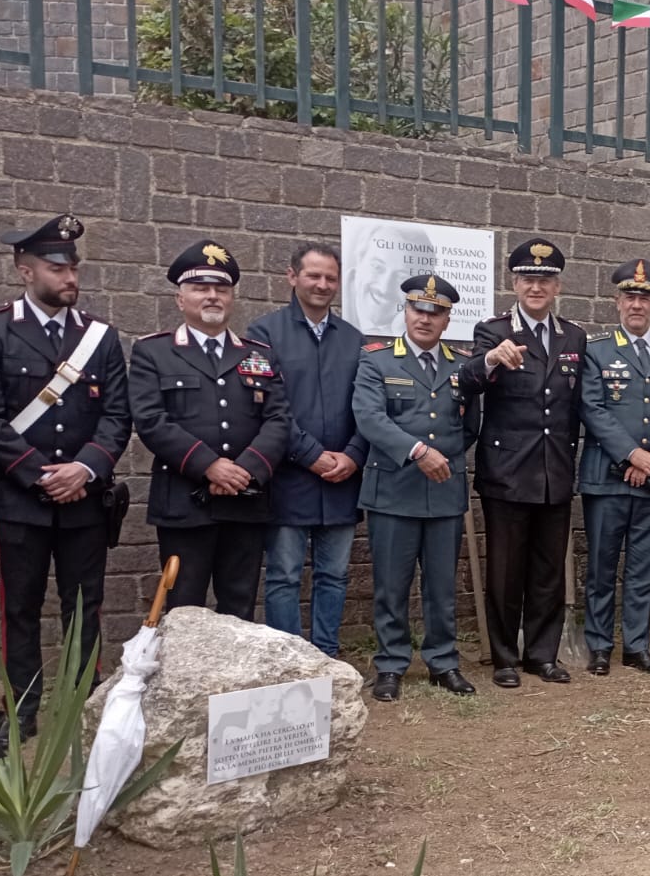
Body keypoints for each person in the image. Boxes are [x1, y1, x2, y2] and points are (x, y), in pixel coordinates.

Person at [0, 215, 131, 743]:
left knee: (85, 604)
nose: (69, 277)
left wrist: (85, 468)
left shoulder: (99, 337)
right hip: (21, 500)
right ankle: (24, 710)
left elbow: (118, 416)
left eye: (73, 267)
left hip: (86, 498)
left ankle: (81, 705)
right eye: (57, 267)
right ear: (24, 270)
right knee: (20, 607)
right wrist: (41, 475)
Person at [129, 241, 289, 618]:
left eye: (221, 289)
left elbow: (279, 419)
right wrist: (210, 465)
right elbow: (151, 420)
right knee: (183, 607)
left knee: (240, 605)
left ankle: (236, 680)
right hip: (185, 503)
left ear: (232, 297)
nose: (212, 296)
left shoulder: (259, 355)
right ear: (180, 299)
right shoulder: (154, 352)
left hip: (246, 501)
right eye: (201, 288)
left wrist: (246, 469)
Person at [462, 238, 588, 688]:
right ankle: (504, 658)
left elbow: (578, 403)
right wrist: (492, 360)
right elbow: (467, 380)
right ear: (515, 283)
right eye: (529, 279)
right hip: (508, 472)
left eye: (546, 280)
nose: (537, 287)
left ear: (557, 287)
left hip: (554, 470)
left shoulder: (573, 335)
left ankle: (542, 654)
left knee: (549, 572)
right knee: (505, 571)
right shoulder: (493, 331)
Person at [352, 274, 480, 702]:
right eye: (417, 309)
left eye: (435, 312)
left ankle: (443, 661)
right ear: (405, 312)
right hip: (394, 490)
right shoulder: (376, 359)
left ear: (447, 319)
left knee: (442, 585)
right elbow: (370, 419)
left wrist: (442, 457)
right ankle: (391, 663)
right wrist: (417, 452)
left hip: (444, 492)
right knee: (391, 585)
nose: (425, 318)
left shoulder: (463, 365)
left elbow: (471, 425)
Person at [247, 242, 365, 658]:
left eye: (330, 277)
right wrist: (310, 454)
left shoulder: (354, 339)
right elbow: (268, 406)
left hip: (342, 481)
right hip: (288, 479)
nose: (322, 284)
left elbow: (366, 407)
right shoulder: (263, 335)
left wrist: (352, 454)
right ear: (292, 276)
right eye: (313, 275)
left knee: (334, 576)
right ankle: (290, 661)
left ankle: (327, 656)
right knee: (283, 576)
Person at [579, 258, 650, 675]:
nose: (637, 305)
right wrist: (632, 455)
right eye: (630, 297)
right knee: (602, 568)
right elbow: (592, 408)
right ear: (617, 302)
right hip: (606, 479)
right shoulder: (596, 351)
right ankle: (598, 647)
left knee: (643, 569)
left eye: (645, 298)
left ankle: (636, 646)